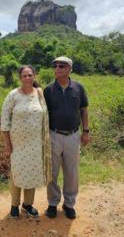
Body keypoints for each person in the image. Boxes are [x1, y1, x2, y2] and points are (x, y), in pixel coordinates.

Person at [0, 65, 52, 219]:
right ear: (20, 78)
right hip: (18, 145)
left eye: (30, 75)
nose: (28, 78)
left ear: (34, 76)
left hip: (36, 144)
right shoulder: (13, 95)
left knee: (32, 173)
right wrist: (7, 143)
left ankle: (27, 205)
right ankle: (14, 205)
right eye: (24, 76)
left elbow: (45, 117)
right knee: (17, 174)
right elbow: (4, 121)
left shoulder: (40, 94)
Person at [44, 56, 91, 220]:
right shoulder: (48, 90)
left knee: (72, 171)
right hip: (54, 135)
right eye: (55, 66)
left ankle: (69, 204)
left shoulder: (78, 88)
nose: (57, 69)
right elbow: (44, 114)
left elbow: (84, 110)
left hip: (73, 136)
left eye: (61, 66)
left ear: (70, 69)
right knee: (52, 171)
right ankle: (52, 203)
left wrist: (86, 131)